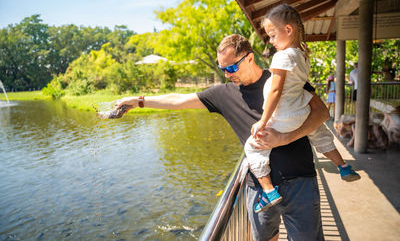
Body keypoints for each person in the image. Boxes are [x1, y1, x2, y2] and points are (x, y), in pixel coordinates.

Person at [113, 34, 342, 240]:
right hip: (259, 188)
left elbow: (322, 113)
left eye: (231, 68)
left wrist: (286, 138)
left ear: (249, 58)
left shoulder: (282, 79)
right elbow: (178, 100)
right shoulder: (222, 94)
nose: (226, 74)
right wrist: (137, 101)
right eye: (222, 68)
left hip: (300, 181)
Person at [244, 4, 360, 214]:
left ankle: (269, 191)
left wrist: (263, 120)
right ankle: (343, 166)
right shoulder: (302, 55)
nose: (271, 41)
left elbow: (275, 91)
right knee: (317, 132)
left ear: (288, 30)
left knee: (253, 146)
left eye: (272, 35)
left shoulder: (282, 56)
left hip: (283, 116)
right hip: (300, 111)